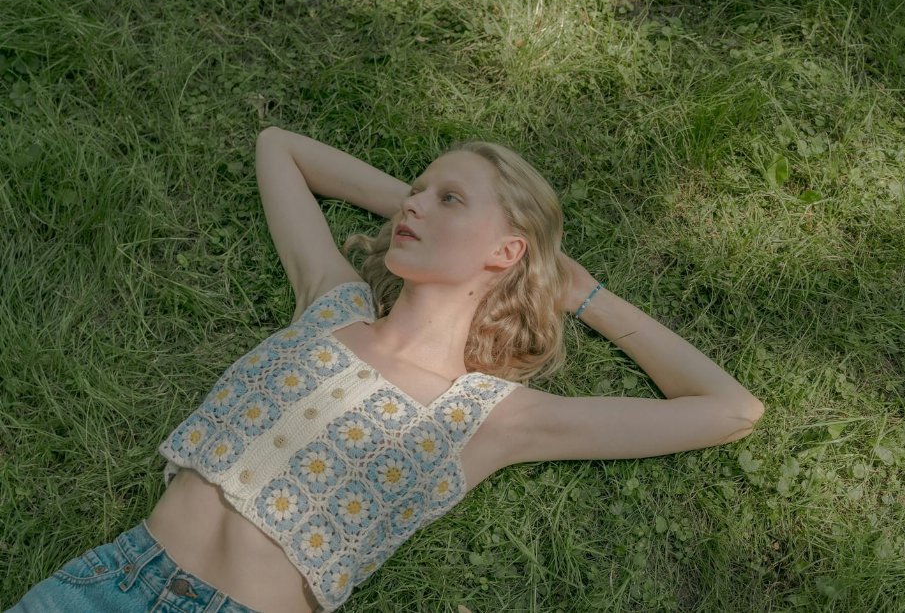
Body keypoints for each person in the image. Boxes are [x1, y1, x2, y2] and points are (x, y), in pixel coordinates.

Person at [7, 127, 765, 613]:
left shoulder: (492, 417)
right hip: (106, 584)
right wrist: (414, 207)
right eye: (417, 189)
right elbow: (281, 148)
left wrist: (580, 289)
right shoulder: (333, 304)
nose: (416, 204)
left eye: (449, 198)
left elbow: (731, 408)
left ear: (505, 253)